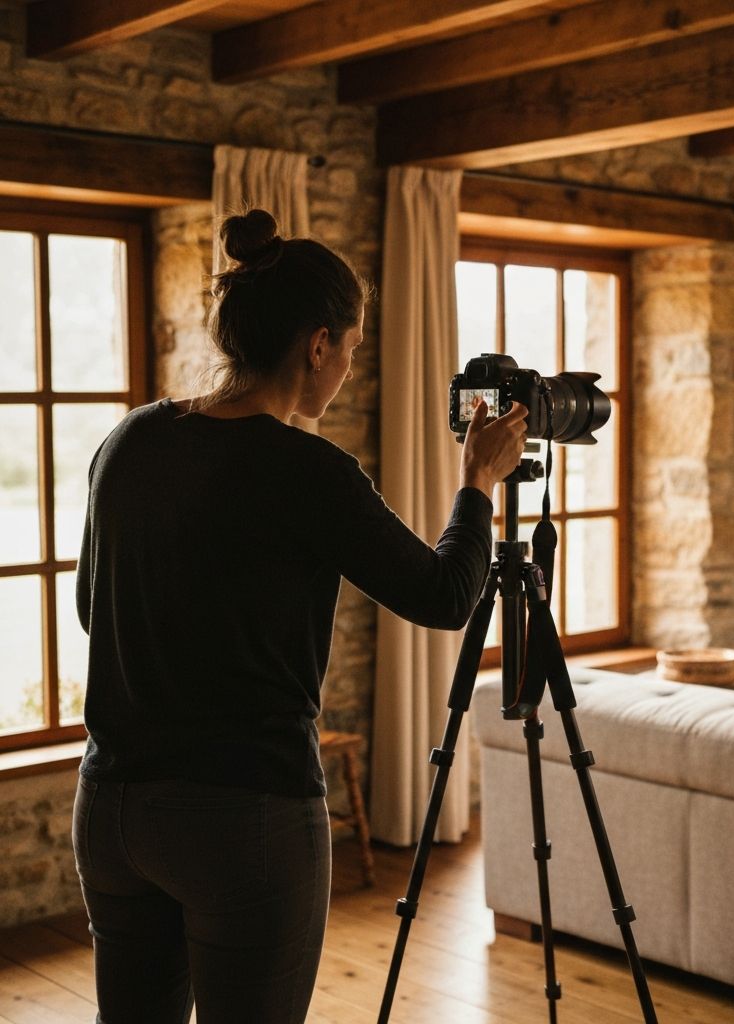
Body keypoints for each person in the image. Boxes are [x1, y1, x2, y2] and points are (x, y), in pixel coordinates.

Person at [72, 208, 527, 1024]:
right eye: (350, 352)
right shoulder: (311, 472)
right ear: (317, 344)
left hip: (111, 812)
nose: (347, 371)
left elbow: (88, 609)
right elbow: (445, 596)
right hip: (244, 822)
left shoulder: (131, 438)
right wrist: (477, 486)